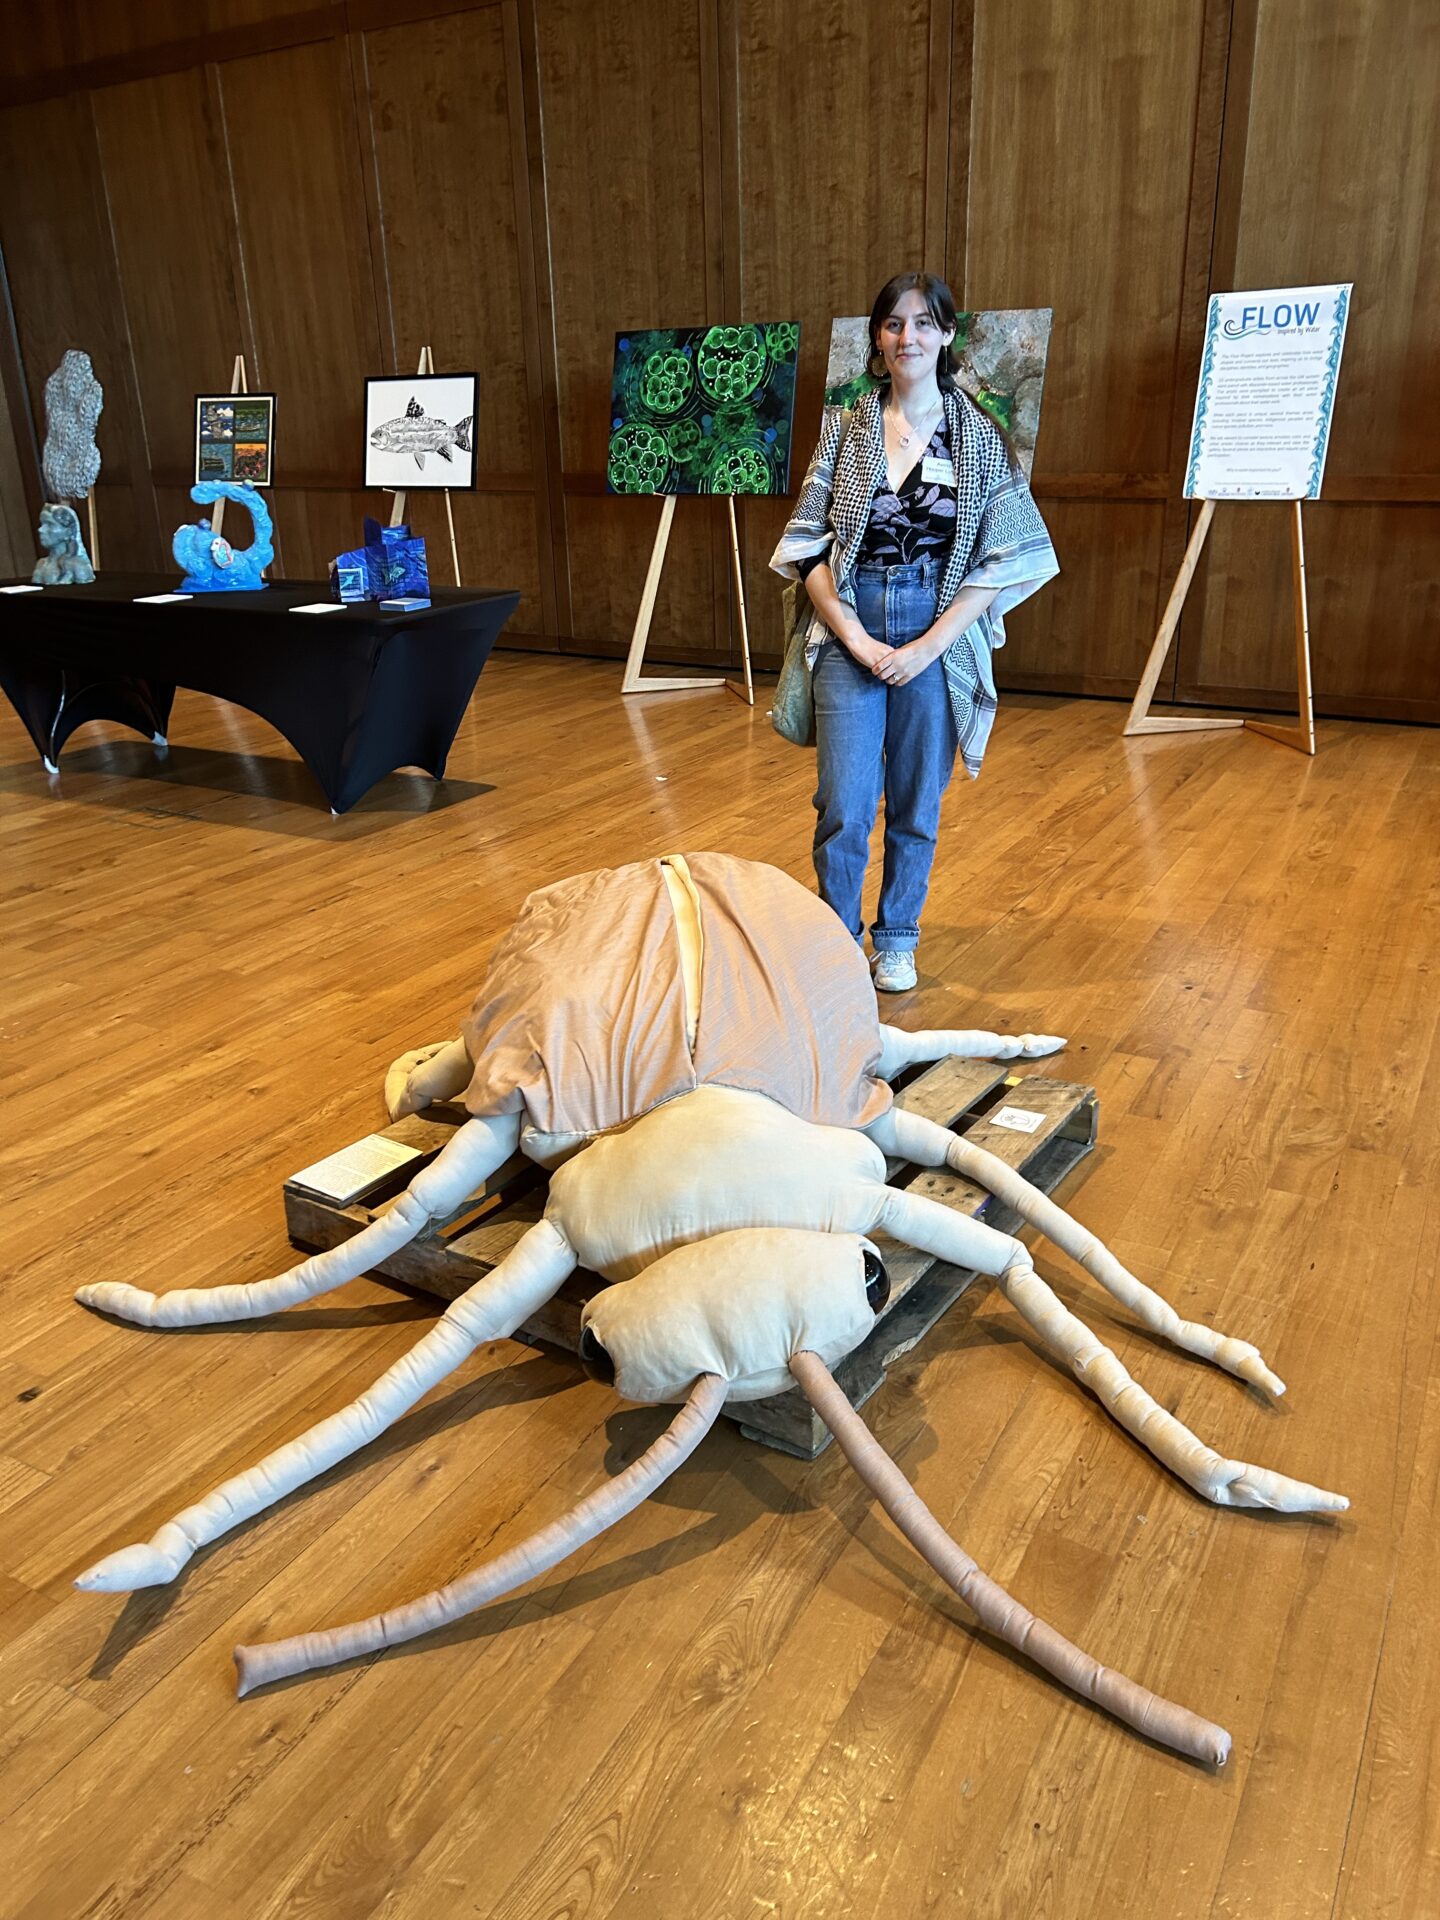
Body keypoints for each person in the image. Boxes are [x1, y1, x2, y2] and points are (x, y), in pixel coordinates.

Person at [771, 272, 1058, 991]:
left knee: (915, 799)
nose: (909, 338)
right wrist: (856, 639)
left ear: (947, 335)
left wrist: (928, 646)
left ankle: (897, 938)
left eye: (924, 324)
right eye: (894, 325)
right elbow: (806, 545)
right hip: (850, 624)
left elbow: (1007, 556)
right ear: (877, 337)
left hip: (938, 630)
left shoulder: (980, 436)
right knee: (843, 801)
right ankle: (837, 943)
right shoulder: (846, 426)